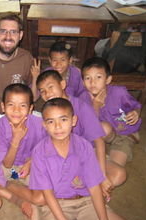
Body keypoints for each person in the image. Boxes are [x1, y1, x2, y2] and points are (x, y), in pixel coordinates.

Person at [29, 98, 132, 220]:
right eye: (51, 121)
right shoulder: (39, 152)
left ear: (73, 121)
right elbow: (47, 192)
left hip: (87, 201)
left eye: (63, 119)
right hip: (57, 204)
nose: (58, 126)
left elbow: (94, 187)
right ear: (44, 125)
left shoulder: (84, 146)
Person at [35, 70, 122, 199]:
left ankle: (85, 189)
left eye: (50, 87)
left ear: (63, 84)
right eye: (42, 91)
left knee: (119, 174)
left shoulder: (81, 106)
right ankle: (89, 190)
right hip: (62, 157)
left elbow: (98, 141)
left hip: (87, 153)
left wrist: (102, 176)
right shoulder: (46, 112)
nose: (47, 93)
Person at [80, 57, 142, 187]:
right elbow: (90, 128)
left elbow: (135, 105)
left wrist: (135, 112)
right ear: (83, 81)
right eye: (87, 78)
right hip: (104, 134)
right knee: (103, 127)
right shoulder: (83, 99)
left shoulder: (119, 92)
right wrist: (95, 106)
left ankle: (97, 189)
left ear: (108, 79)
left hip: (125, 135)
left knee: (116, 170)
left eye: (98, 77)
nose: (93, 82)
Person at [0, 83, 47, 220]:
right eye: (11, 105)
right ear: (3, 107)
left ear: (30, 108)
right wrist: (15, 140)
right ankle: (7, 185)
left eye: (22, 105)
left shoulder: (39, 124)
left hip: (31, 164)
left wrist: (31, 161)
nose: (16, 110)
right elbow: (7, 164)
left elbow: (48, 146)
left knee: (42, 197)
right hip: (5, 166)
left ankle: (7, 186)